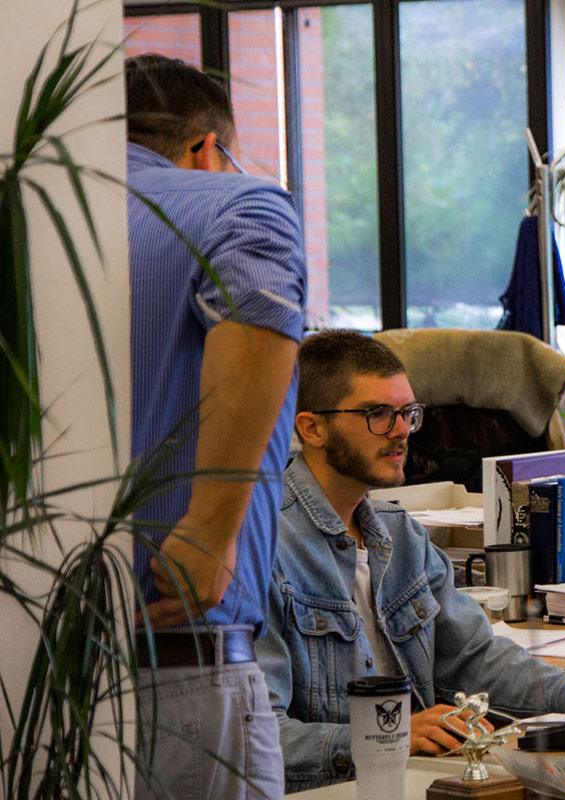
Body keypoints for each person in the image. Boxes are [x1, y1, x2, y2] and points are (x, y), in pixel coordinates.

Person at [257, 330, 565, 792]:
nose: (402, 430)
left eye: (408, 412)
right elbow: (254, 736)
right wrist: (387, 739)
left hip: (419, 779)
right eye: (378, 414)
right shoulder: (260, 549)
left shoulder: (399, 535)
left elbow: (474, 658)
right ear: (311, 428)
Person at [125, 54, 307, 799]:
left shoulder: (32, 216)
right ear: (206, 150)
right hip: (181, 658)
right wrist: (209, 527)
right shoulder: (235, 205)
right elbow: (260, 316)